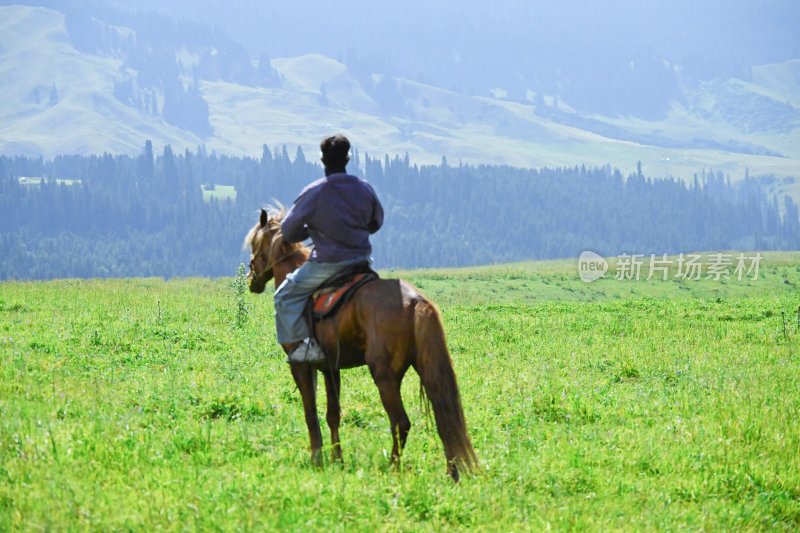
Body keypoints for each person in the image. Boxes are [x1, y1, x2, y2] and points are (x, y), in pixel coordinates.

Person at [275, 134, 384, 364]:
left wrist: (309, 231)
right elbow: (376, 222)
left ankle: (305, 350)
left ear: (322, 160)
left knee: (284, 295)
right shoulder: (364, 188)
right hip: (362, 261)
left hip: (327, 264)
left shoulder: (314, 192)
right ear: (348, 158)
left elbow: (288, 232)